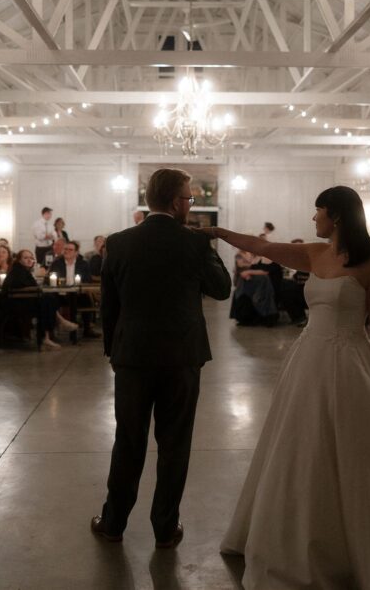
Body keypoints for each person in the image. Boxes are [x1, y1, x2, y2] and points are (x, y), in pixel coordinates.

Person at [202, 186, 370, 589]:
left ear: (336, 216)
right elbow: (260, 244)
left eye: (318, 212)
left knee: (358, 454)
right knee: (301, 448)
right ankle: (303, 538)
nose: (313, 219)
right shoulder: (315, 255)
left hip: (351, 363)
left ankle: (363, 545)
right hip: (308, 361)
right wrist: (217, 232)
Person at [91, 168, 231, 549]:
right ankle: (165, 528)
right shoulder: (194, 242)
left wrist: (113, 349)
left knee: (128, 441)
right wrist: (208, 246)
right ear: (175, 202)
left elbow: (110, 305)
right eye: (189, 198)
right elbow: (221, 290)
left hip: (132, 356)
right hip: (182, 358)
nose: (191, 203)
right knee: (175, 444)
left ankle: (114, 523)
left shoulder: (118, 243)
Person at [1, 249, 77, 350]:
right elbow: (17, 287)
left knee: (48, 299)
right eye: (25, 258)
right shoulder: (17, 271)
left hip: (24, 300)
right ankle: (52, 331)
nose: (29, 260)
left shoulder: (24, 270)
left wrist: (37, 289)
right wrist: (37, 289)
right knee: (47, 301)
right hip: (15, 304)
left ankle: (50, 333)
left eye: (31, 258)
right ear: (19, 260)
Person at [49, 241, 97, 338]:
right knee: (50, 300)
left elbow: (88, 280)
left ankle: (87, 329)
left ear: (76, 252)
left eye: (70, 249)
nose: (67, 251)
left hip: (78, 294)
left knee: (86, 300)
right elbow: (51, 278)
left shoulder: (83, 264)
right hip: (61, 294)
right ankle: (51, 332)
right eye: (65, 249)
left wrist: (81, 286)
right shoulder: (57, 263)